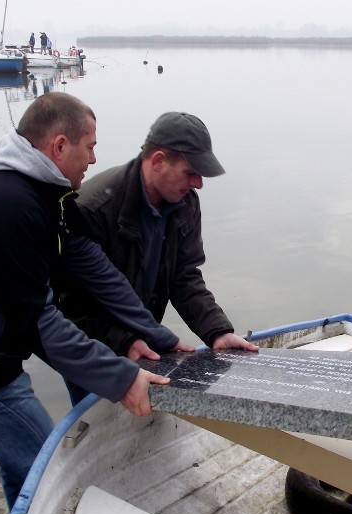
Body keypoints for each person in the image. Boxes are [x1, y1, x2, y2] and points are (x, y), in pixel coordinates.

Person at [0, 92, 182, 510]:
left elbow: (94, 268)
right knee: (49, 471)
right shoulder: (5, 203)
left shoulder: (51, 196)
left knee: (24, 462)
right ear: (59, 146)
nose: (95, 159)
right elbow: (37, 321)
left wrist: (157, 336)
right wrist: (123, 379)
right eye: (90, 146)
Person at [59, 112, 258, 405]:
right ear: (158, 161)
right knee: (97, 425)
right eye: (191, 172)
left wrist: (216, 331)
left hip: (147, 343)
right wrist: (123, 341)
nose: (199, 183)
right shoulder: (91, 209)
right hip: (93, 350)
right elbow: (66, 305)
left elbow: (185, 277)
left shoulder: (185, 202)